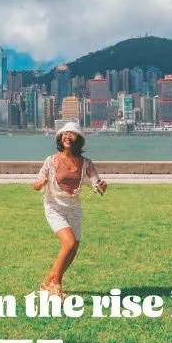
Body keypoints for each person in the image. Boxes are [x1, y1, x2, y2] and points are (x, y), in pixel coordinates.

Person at [33, 121, 106, 298]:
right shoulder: (51, 161)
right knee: (69, 243)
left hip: (74, 208)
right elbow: (36, 184)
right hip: (54, 206)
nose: (67, 136)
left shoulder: (86, 163)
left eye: (72, 134)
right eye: (65, 134)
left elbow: (96, 183)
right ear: (60, 138)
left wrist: (101, 186)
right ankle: (56, 285)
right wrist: (41, 183)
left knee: (73, 250)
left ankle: (47, 283)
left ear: (78, 139)